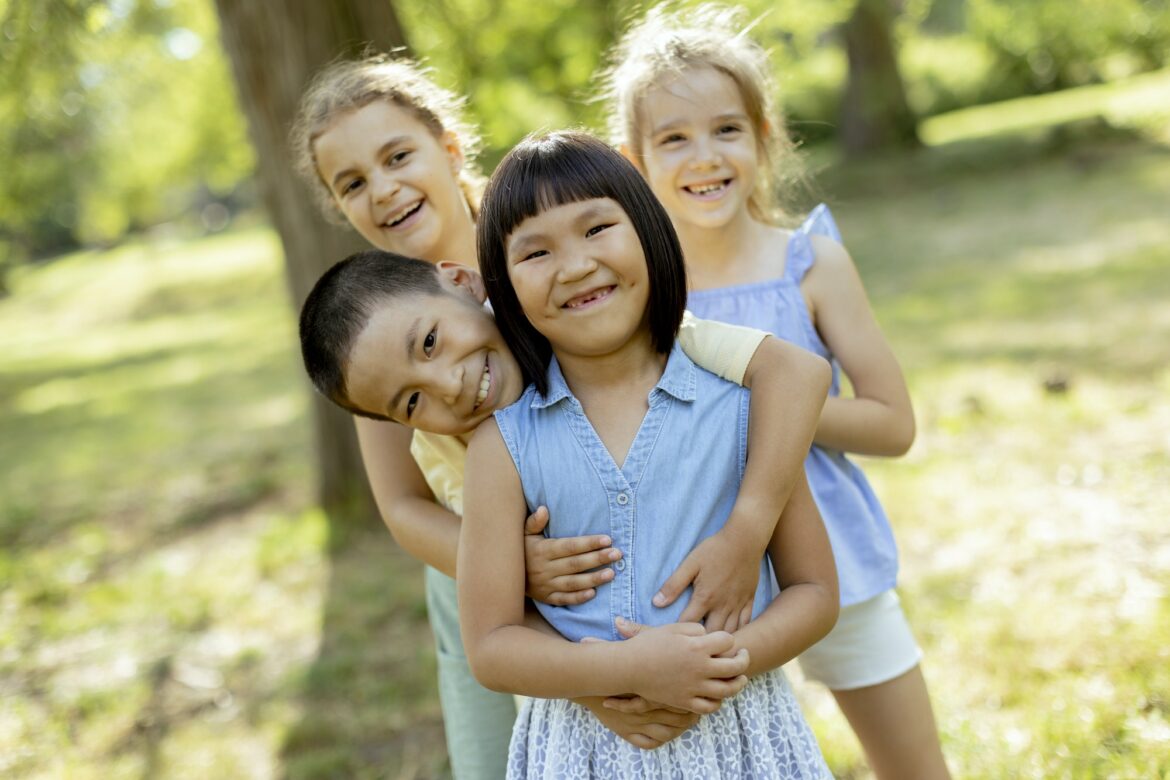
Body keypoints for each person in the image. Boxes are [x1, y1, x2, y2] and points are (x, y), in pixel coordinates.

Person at [291, 54, 832, 775]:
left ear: (448, 149)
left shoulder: (550, 262)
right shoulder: (368, 339)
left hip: (646, 561)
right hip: (476, 564)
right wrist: (515, 571)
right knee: (487, 755)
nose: (383, 189)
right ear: (335, 203)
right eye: (352, 183)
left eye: (396, 157)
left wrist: (744, 532)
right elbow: (402, 508)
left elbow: (788, 375)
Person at [597, 4, 951, 778]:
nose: (704, 156)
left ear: (764, 137)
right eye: (673, 138)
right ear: (634, 161)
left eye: (726, 129)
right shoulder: (636, 286)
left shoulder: (810, 263)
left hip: (838, 563)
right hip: (701, 579)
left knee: (915, 767)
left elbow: (893, 423)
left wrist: (777, 403)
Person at [459, 130, 838, 778]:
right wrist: (626, 673)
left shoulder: (741, 408)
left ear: (648, 231)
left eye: (597, 228)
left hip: (740, 733)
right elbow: (492, 646)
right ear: (504, 286)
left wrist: (714, 667)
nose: (575, 265)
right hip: (585, 749)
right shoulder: (503, 446)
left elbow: (815, 592)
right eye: (536, 252)